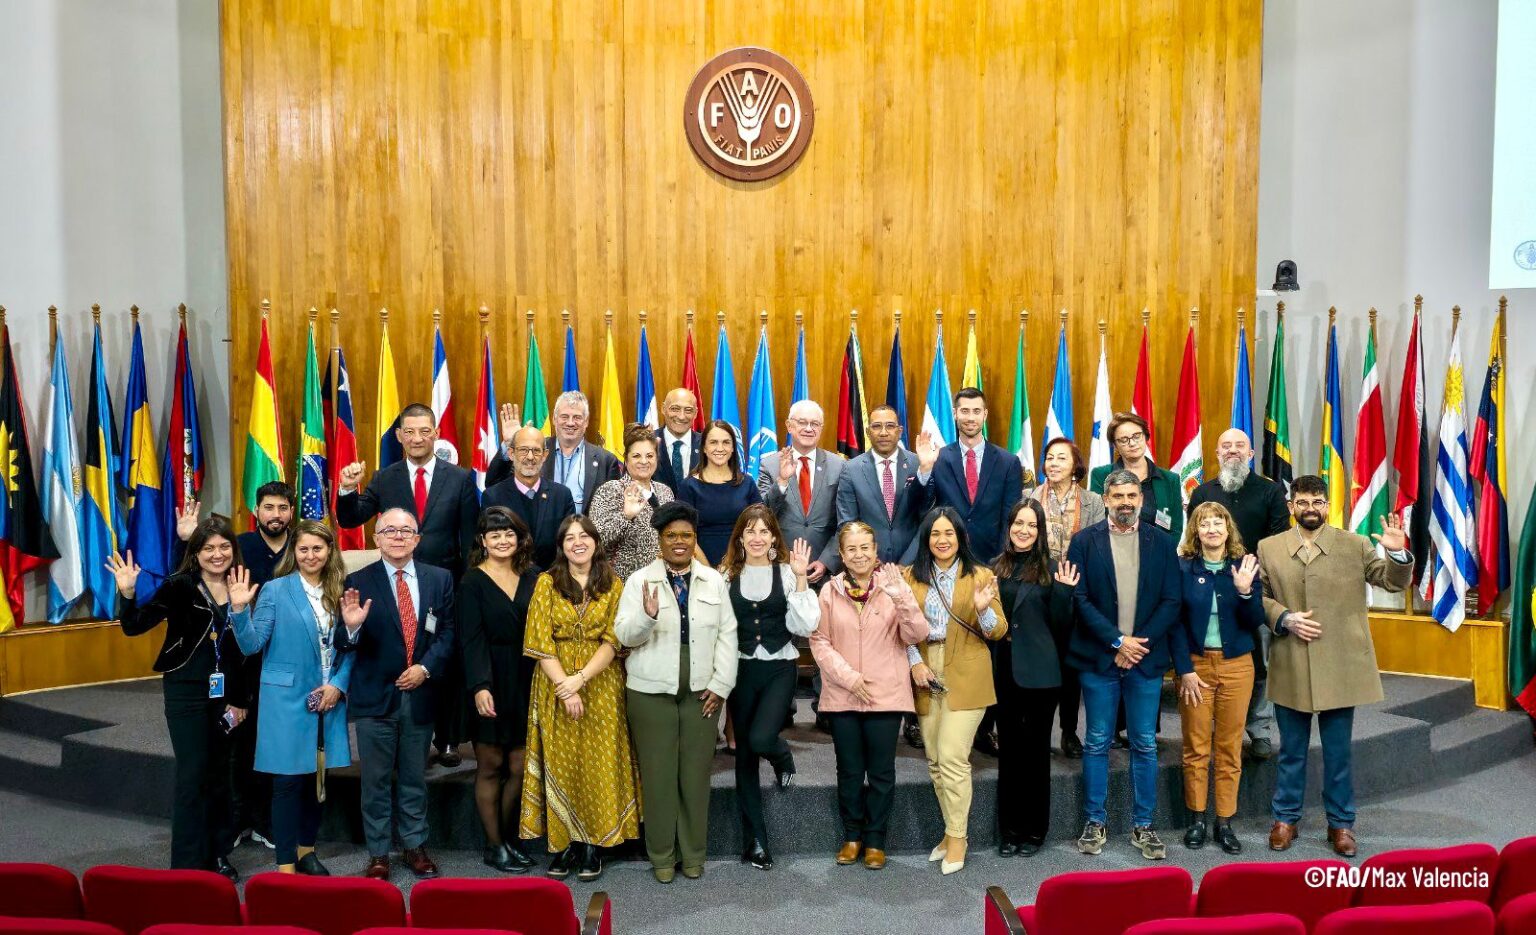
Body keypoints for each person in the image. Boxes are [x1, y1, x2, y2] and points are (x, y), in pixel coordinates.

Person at [1258, 475, 1412, 858]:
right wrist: (1284, 617)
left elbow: (1391, 583)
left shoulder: (1355, 544)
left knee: (1338, 751)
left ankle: (1341, 823)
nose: (1311, 508)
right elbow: (1256, 597)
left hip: (1341, 663)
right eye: (1303, 502)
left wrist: (1395, 554)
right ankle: (1285, 818)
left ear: (1328, 505)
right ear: (1291, 506)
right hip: (1292, 658)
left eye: (1318, 501)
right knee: (1291, 750)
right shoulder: (1269, 547)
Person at [109, 516, 255, 879]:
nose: (217, 554)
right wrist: (127, 593)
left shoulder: (246, 584)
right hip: (186, 693)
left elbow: (249, 652)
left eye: (224, 547)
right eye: (208, 548)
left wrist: (241, 701)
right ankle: (188, 864)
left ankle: (219, 853)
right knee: (193, 775)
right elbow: (134, 625)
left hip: (229, 696)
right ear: (196, 552)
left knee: (222, 775)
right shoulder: (179, 586)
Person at [337, 402, 479, 768]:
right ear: (399, 436)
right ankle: (399, 730)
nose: (417, 438)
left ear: (435, 434)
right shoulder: (386, 478)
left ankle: (447, 739)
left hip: (443, 586)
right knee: (404, 658)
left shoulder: (460, 478)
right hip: (397, 583)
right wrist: (346, 488)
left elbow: (469, 540)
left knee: (442, 662)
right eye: (409, 432)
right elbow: (351, 516)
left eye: (424, 431)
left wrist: (464, 589)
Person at [615, 502, 738, 883]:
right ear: (660, 540)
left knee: (695, 776)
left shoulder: (714, 580)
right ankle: (663, 857)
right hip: (650, 692)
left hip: (702, 691)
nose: (679, 542)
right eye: (672, 536)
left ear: (695, 539)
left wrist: (720, 685)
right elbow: (623, 635)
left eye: (686, 535)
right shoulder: (639, 581)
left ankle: (694, 854)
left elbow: (728, 636)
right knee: (659, 776)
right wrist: (647, 616)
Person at [335, 507, 457, 881]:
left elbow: (448, 632)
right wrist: (352, 629)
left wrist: (425, 668)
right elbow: (342, 642)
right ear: (377, 539)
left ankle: (414, 845)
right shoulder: (356, 581)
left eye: (407, 530)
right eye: (390, 530)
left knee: (413, 777)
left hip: (419, 695)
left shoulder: (440, 579)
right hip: (375, 698)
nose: (399, 536)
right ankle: (378, 854)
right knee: (374, 780)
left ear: (417, 539)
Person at [1066, 469, 1181, 861]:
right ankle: (1095, 820)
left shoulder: (1162, 543)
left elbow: (1171, 601)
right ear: (1106, 498)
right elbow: (1079, 599)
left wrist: (1135, 645)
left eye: (1133, 494)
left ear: (1142, 498)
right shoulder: (1083, 542)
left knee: (1145, 744)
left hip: (1145, 661)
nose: (1127, 502)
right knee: (1097, 741)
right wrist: (1116, 641)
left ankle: (1143, 824)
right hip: (1099, 658)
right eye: (1119, 496)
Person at [227, 520, 353, 876]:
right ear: (293, 552)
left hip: (329, 698)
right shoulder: (275, 590)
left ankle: (306, 851)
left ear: (329, 551)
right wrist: (238, 611)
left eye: (318, 548)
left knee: (317, 780)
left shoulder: (341, 589)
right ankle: (285, 865)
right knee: (287, 782)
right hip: (286, 701)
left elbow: (351, 647)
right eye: (303, 549)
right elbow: (251, 644)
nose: (311, 555)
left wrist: (338, 685)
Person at [518, 514, 640, 882]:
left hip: (601, 684)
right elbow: (539, 641)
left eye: (584, 536)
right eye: (570, 538)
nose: (577, 543)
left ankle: (592, 844)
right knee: (563, 761)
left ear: (595, 542)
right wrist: (565, 686)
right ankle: (564, 842)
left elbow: (614, 640)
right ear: (562, 546)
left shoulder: (614, 584)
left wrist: (581, 680)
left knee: (599, 763)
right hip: (555, 684)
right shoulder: (546, 583)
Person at [811, 522, 929, 870]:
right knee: (849, 770)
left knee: (881, 772)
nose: (859, 555)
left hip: (886, 694)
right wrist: (849, 679)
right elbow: (819, 642)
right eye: (852, 549)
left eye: (866, 548)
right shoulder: (829, 592)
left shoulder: (894, 586)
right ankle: (852, 836)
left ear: (876, 551)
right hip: (843, 695)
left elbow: (916, 633)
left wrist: (902, 597)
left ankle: (876, 839)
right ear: (842, 555)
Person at [904, 507, 1007, 875]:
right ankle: (950, 833)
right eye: (935, 534)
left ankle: (959, 838)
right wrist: (914, 660)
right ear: (925, 539)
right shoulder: (910, 577)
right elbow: (900, 628)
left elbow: (997, 630)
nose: (942, 540)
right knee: (933, 759)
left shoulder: (980, 575)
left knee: (951, 757)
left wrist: (982, 611)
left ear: (961, 537)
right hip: (924, 669)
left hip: (967, 667)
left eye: (949, 533)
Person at [718, 505, 820, 870]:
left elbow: (807, 625)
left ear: (774, 538)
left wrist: (802, 579)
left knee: (762, 739)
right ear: (741, 538)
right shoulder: (726, 575)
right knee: (744, 756)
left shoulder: (787, 573)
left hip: (779, 666)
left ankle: (781, 755)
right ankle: (755, 842)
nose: (758, 537)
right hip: (741, 670)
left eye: (765, 531)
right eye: (751, 531)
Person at [1187, 428, 1292, 761]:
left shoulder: (1270, 491)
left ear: (1250, 454)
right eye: (1226, 446)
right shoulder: (1202, 492)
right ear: (1217, 454)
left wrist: (1249, 580)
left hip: (1255, 590)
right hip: (1209, 591)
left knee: (1260, 662)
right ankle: (1221, 723)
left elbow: (1279, 544)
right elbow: (1191, 542)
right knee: (1213, 659)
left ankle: (1259, 728)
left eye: (1239, 446)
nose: (1232, 450)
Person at [1170, 501, 1263, 855]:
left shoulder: (1243, 567)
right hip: (1195, 667)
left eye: (1218, 523)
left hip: (1237, 666)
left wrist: (1243, 591)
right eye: (1204, 523)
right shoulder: (1183, 569)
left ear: (1228, 530)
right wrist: (1184, 670)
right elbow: (1175, 624)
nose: (1211, 529)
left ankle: (1224, 822)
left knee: (1229, 746)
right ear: (1195, 530)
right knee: (1196, 746)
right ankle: (1196, 819)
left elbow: (1254, 620)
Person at [836, 404, 929, 749]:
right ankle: (874, 705)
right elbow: (847, 521)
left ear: (900, 430)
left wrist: (906, 564)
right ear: (869, 431)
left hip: (912, 565)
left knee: (913, 633)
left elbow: (927, 517)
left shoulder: (918, 464)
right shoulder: (852, 469)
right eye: (878, 426)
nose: (885, 432)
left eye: (891, 426)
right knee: (876, 640)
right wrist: (867, 564)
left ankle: (914, 715)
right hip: (866, 570)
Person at [990, 499, 1078, 857]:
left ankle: (1034, 831)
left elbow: (1062, 627)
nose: (1023, 530)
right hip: (1004, 670)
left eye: (1031, 525)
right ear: (1009, 526)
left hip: (1042, 675)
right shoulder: (995, 568)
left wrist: (1064, 594)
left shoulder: (1055, 570)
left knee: (1036, 754)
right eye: (1018, 523)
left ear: (1040, 531)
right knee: (1009, 753)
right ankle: (1009, 831)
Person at [458, 507, 540, 873]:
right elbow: (470, 639)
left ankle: (507, 838)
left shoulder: (535, 577)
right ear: (483, 541)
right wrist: (479, 686)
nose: (503, 540)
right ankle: (494, 845)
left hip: (527, 676)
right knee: (490, 764)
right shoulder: (472, 581)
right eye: (495, 535)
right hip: (488, 676)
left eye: (509, 534)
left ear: (519, 538)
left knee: (521, 764)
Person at [1027, 438, 1103, 759]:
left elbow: (1098, 546)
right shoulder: (1031, 498)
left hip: (1076, 590)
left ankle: (1070, 731)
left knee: (1070, 667)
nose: (1053, 463)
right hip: (1039, 590)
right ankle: (1038, 729)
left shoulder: (1093, 501)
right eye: (1049, 458)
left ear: (1075, 466)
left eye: (1061, 458)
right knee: (1041, 663)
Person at [911, 388, 1023, 564]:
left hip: (993, 561)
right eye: (965, 411)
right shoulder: (937, 458)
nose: (971, 418)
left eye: (976, 411)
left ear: (985, 414)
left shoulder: (1008, 463)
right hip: (946, 558)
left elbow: (1010, 517)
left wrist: (1002, 560)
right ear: (955, 413)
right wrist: (925, 469)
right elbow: (921, 510)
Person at [757, 400, 845, 582]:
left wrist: (827, 561)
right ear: (789, 426)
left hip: (825, 572)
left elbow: (846, 520)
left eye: (815, 424)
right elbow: (761, 516)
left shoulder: (840, 466)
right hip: (780, 566)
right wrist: (781, 481)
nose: (808, 428)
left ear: (821, 428)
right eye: (802, 422)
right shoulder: (771, 465)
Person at [492, 392, 622, 515]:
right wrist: (509, 443)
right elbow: (494, 483)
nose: (570, 423)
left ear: (586, 422)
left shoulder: (606, 461)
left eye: (577, 417)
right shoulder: (536, 451)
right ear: (554, 419)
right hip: (539, 535)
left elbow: (613, 512)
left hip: (582, 537)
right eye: (564, 417)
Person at [483, 424, 578, 570]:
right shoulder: (493, 497)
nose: (530, 457)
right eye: (523, 450)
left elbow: (569, 544)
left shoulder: (562, 496)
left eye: (536, 451)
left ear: (545, 455)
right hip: (509, 582)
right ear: (511, 454)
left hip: (553, 583)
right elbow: (488, 548)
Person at [589, 423, 675, 581]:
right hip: (621, 584)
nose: (644, 461)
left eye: (649, 456)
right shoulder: (611, 490)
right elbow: (596, 540)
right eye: (636, 456)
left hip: (661, 581)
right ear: (626, 460)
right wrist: (625, 516)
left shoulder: (665, 492)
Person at [675, 420, 762, 565]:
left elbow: (761, 526)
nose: (720, 448)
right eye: (713, 442)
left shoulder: (747, 483)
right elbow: (685, 535)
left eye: (726, 442)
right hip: (702, 570)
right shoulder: (689, 486)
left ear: (733, 447)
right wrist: (710, 574)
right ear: (703, 447)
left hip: (744, 565)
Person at [1088, 412, 1184, 542]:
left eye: (1136, 436)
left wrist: (1161, 556)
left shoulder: (1170, 479)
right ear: (1115, 446)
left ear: (1146, 437)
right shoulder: (1101, 475)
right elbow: (1098, 521)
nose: (1132, 443)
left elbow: (1175, 528)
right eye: (1124, 439)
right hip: (1113, 551)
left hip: (1156, 554)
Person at [654, 388, 704, 493]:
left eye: (688, 410)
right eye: (675, 409)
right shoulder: (647, 442)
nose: (681, 416)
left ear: (695, 413)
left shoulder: (707, 445)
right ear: (663, 409)